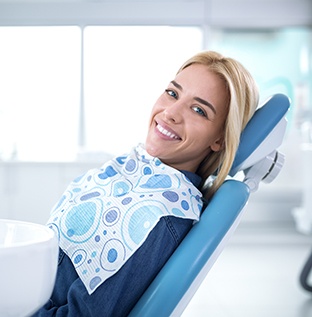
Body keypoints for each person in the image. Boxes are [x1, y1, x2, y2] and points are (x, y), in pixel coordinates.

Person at [33, 50, 259, 316]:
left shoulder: (157, 217)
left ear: (219, 139)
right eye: (173, 93)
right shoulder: (132, 171)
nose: (170, 113)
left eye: (198, 110)